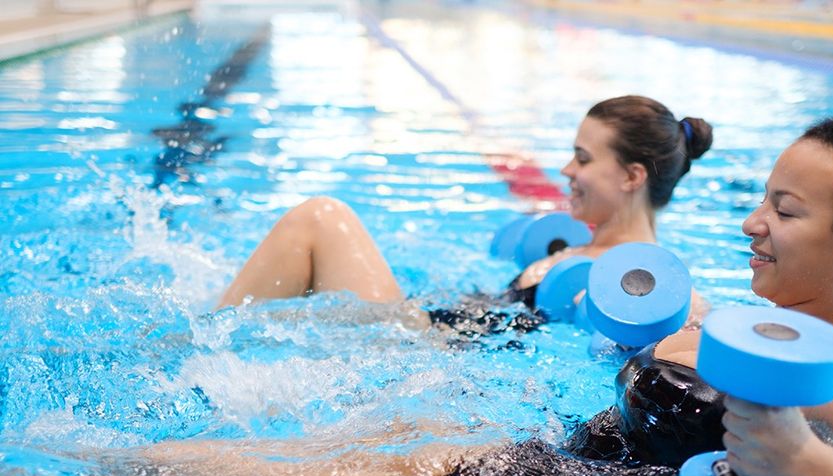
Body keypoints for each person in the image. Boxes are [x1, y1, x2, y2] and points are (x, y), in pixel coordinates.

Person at [138, 95, 833, 476]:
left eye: (785, 212)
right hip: (526, 461)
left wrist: (812, 470)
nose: (752, 223)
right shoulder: (743, 323)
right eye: (763, 199)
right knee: (172, 468)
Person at [215, 96, 714, 330]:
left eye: (583, 159)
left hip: (428, 357)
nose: (565, 170)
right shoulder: (587, 251)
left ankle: (193, 346)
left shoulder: (644, 287)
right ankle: (208, 338)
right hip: (433, 338)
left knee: (321, 218)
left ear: (631, 176)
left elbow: (691, 319)